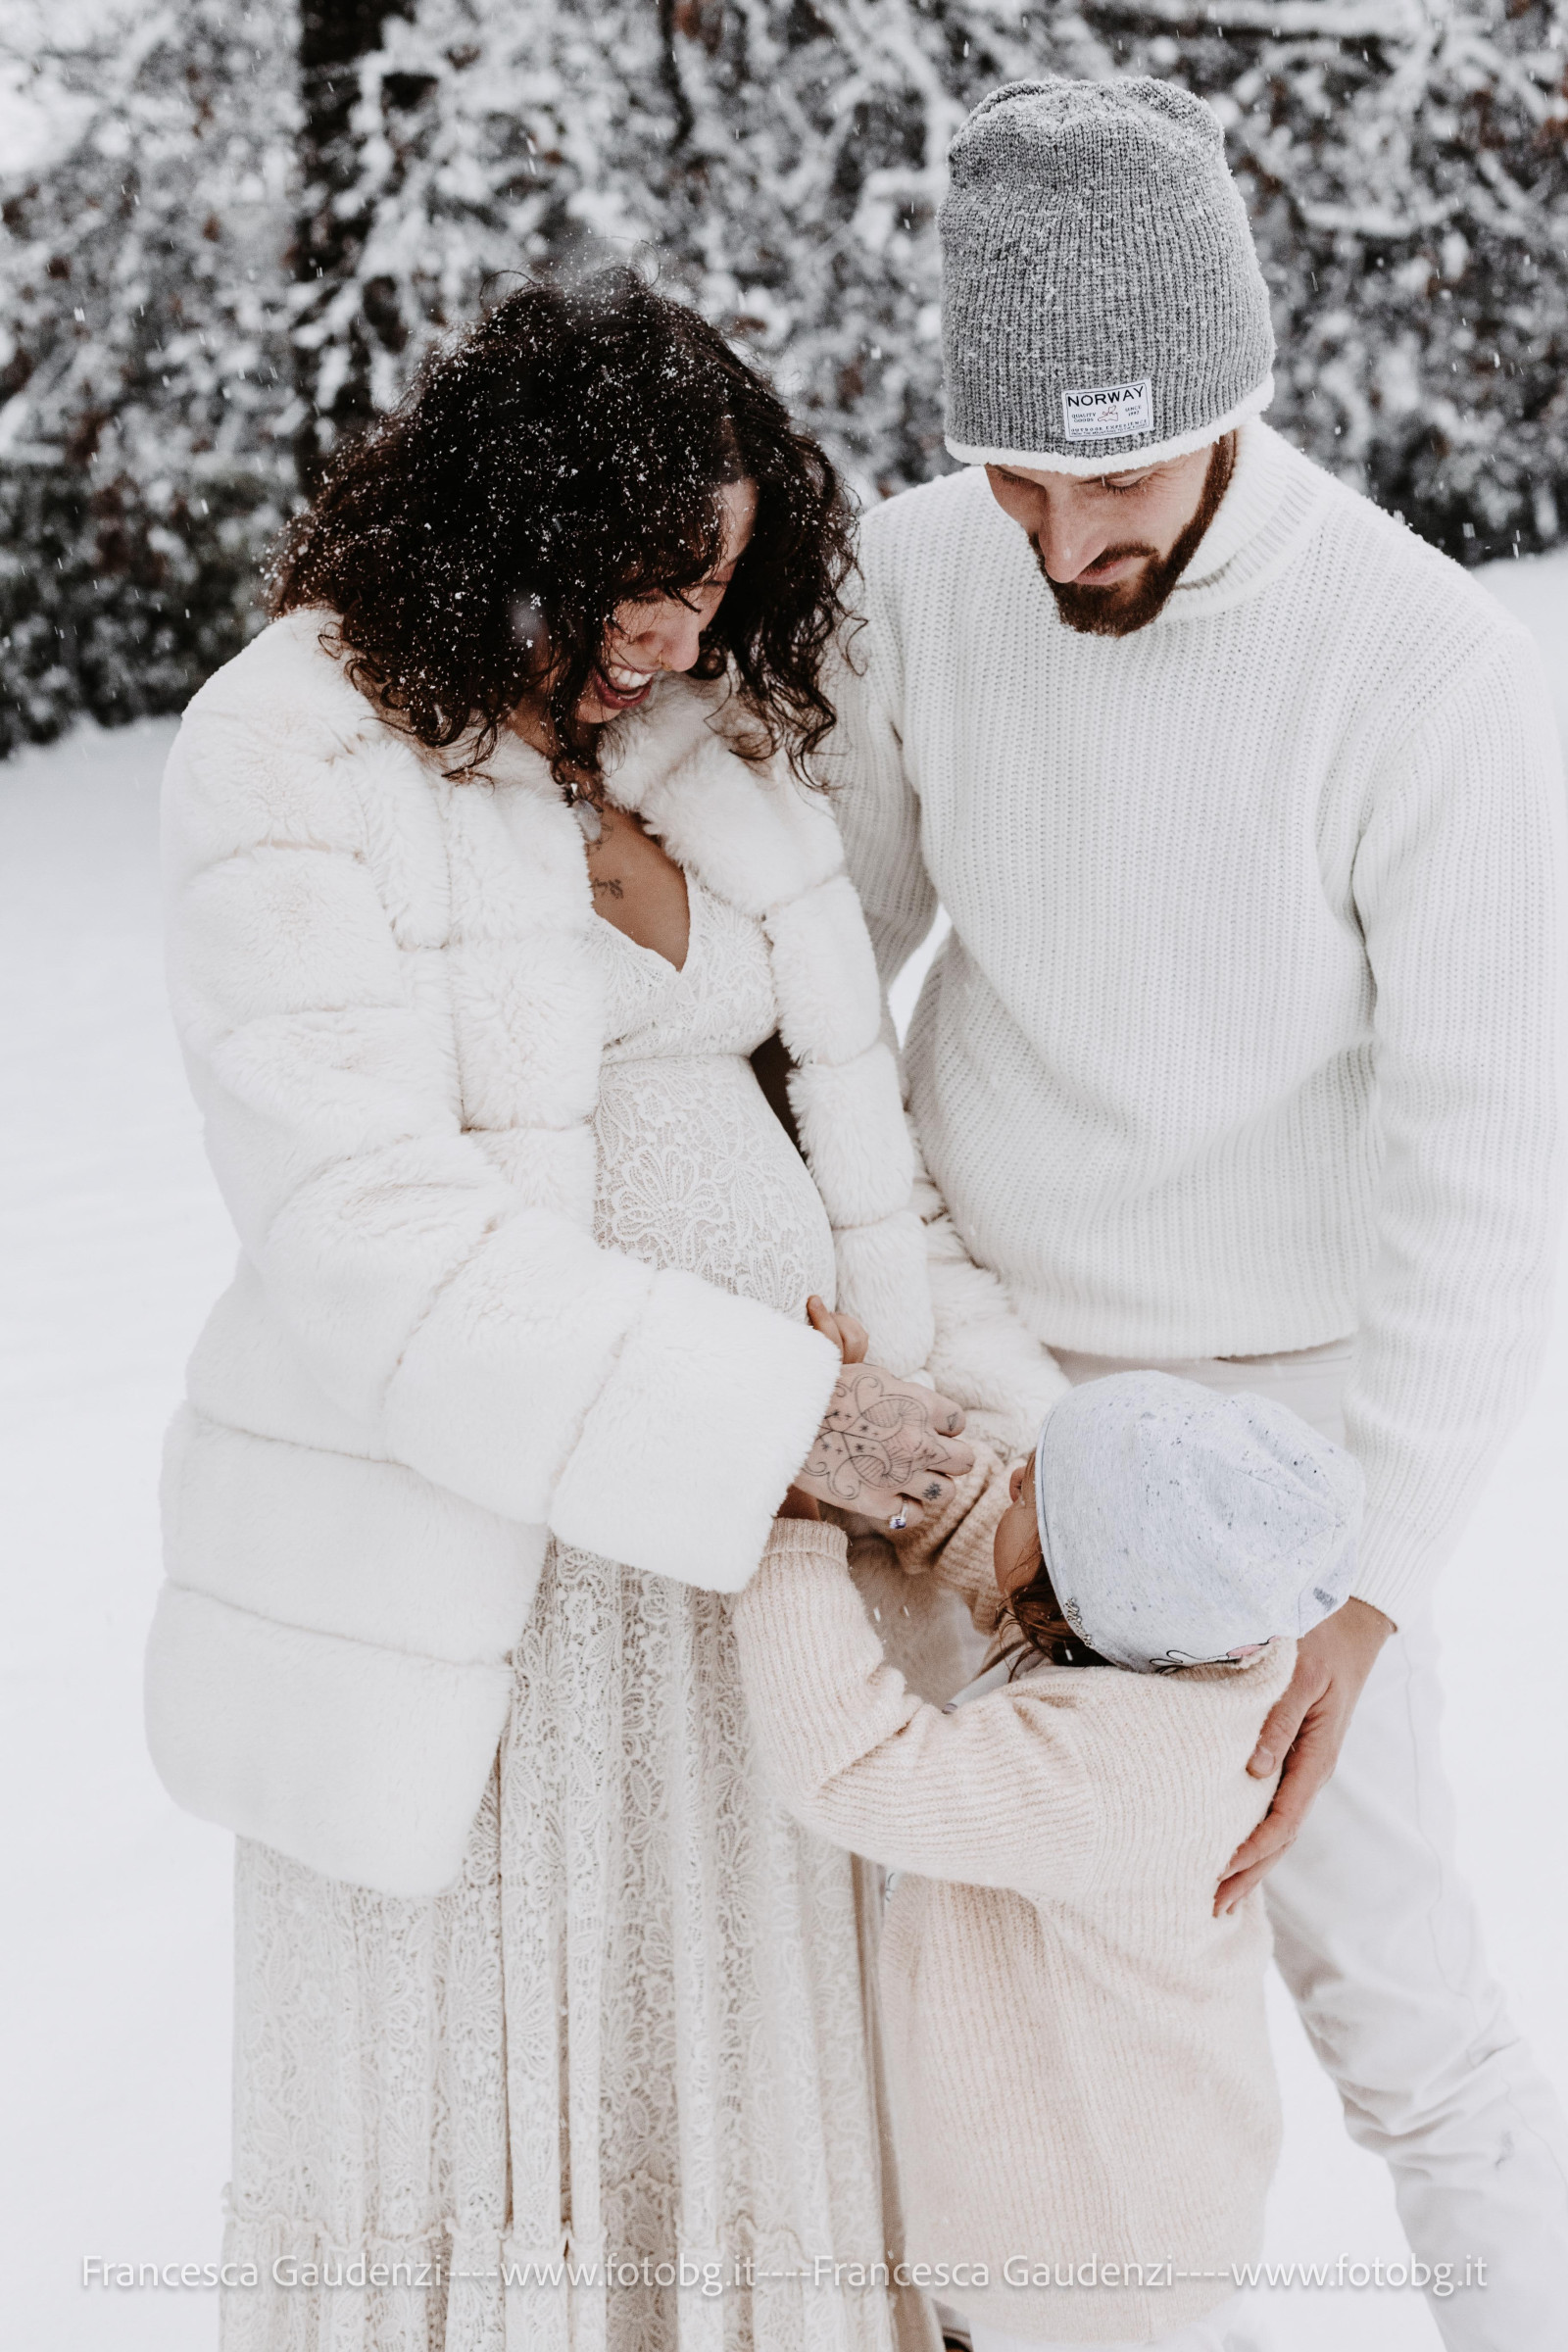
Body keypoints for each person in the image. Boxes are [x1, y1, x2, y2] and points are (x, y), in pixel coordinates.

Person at [144, 269, 972, 2352]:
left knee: (734, 2090)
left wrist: (965, 1451)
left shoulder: (701, 753)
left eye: (711, 593)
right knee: (512, 2124)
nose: (674, 641)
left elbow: (855, 1149)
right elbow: (366, 1231)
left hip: (745, 1593)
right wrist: (767, 1420)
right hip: (485, 1600)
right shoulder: (289, 747)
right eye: (642, 585)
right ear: (508, 524)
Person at [833, 75, 1568, 2348]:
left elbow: (1486, 1166)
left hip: (1273, 1452)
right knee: (944, 1983)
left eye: (1118, 476)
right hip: (983, 1383)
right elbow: (822, 976)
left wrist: (1364, 1587)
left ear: (1232, 401)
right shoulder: (911, 581)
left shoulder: (1419, 668)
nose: (1063, 538)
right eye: (1016, 476)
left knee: (1389, 1988)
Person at [735, 1350, 1364, 2352]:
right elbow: (1014, 1564)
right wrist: (866, 1434)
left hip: (1096, 2257)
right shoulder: (1183, 1646)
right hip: (1152, 2211)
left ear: (1085, 1581)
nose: (1009, 1473)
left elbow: (855, 1765)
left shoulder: (1114, 1771)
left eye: (1032, 1488)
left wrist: (791, 1529)